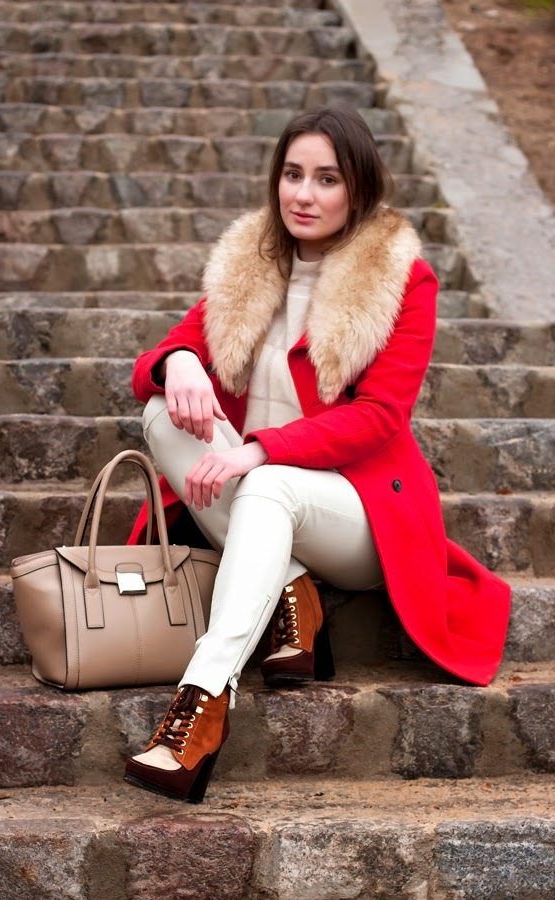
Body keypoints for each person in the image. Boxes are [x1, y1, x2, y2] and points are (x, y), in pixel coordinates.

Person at [123, 106, 511, 803]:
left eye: (325, 179)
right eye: (292, 175)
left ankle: (203, 699)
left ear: (356, 190)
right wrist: (180, 359)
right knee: (160, 411)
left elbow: (378, 417)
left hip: (359, 514)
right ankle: (292, 588)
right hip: (264, 490)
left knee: (269, 483)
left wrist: (258, 452)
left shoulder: (402, 280)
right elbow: (156, 359)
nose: (303, 194)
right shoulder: (251, 264)